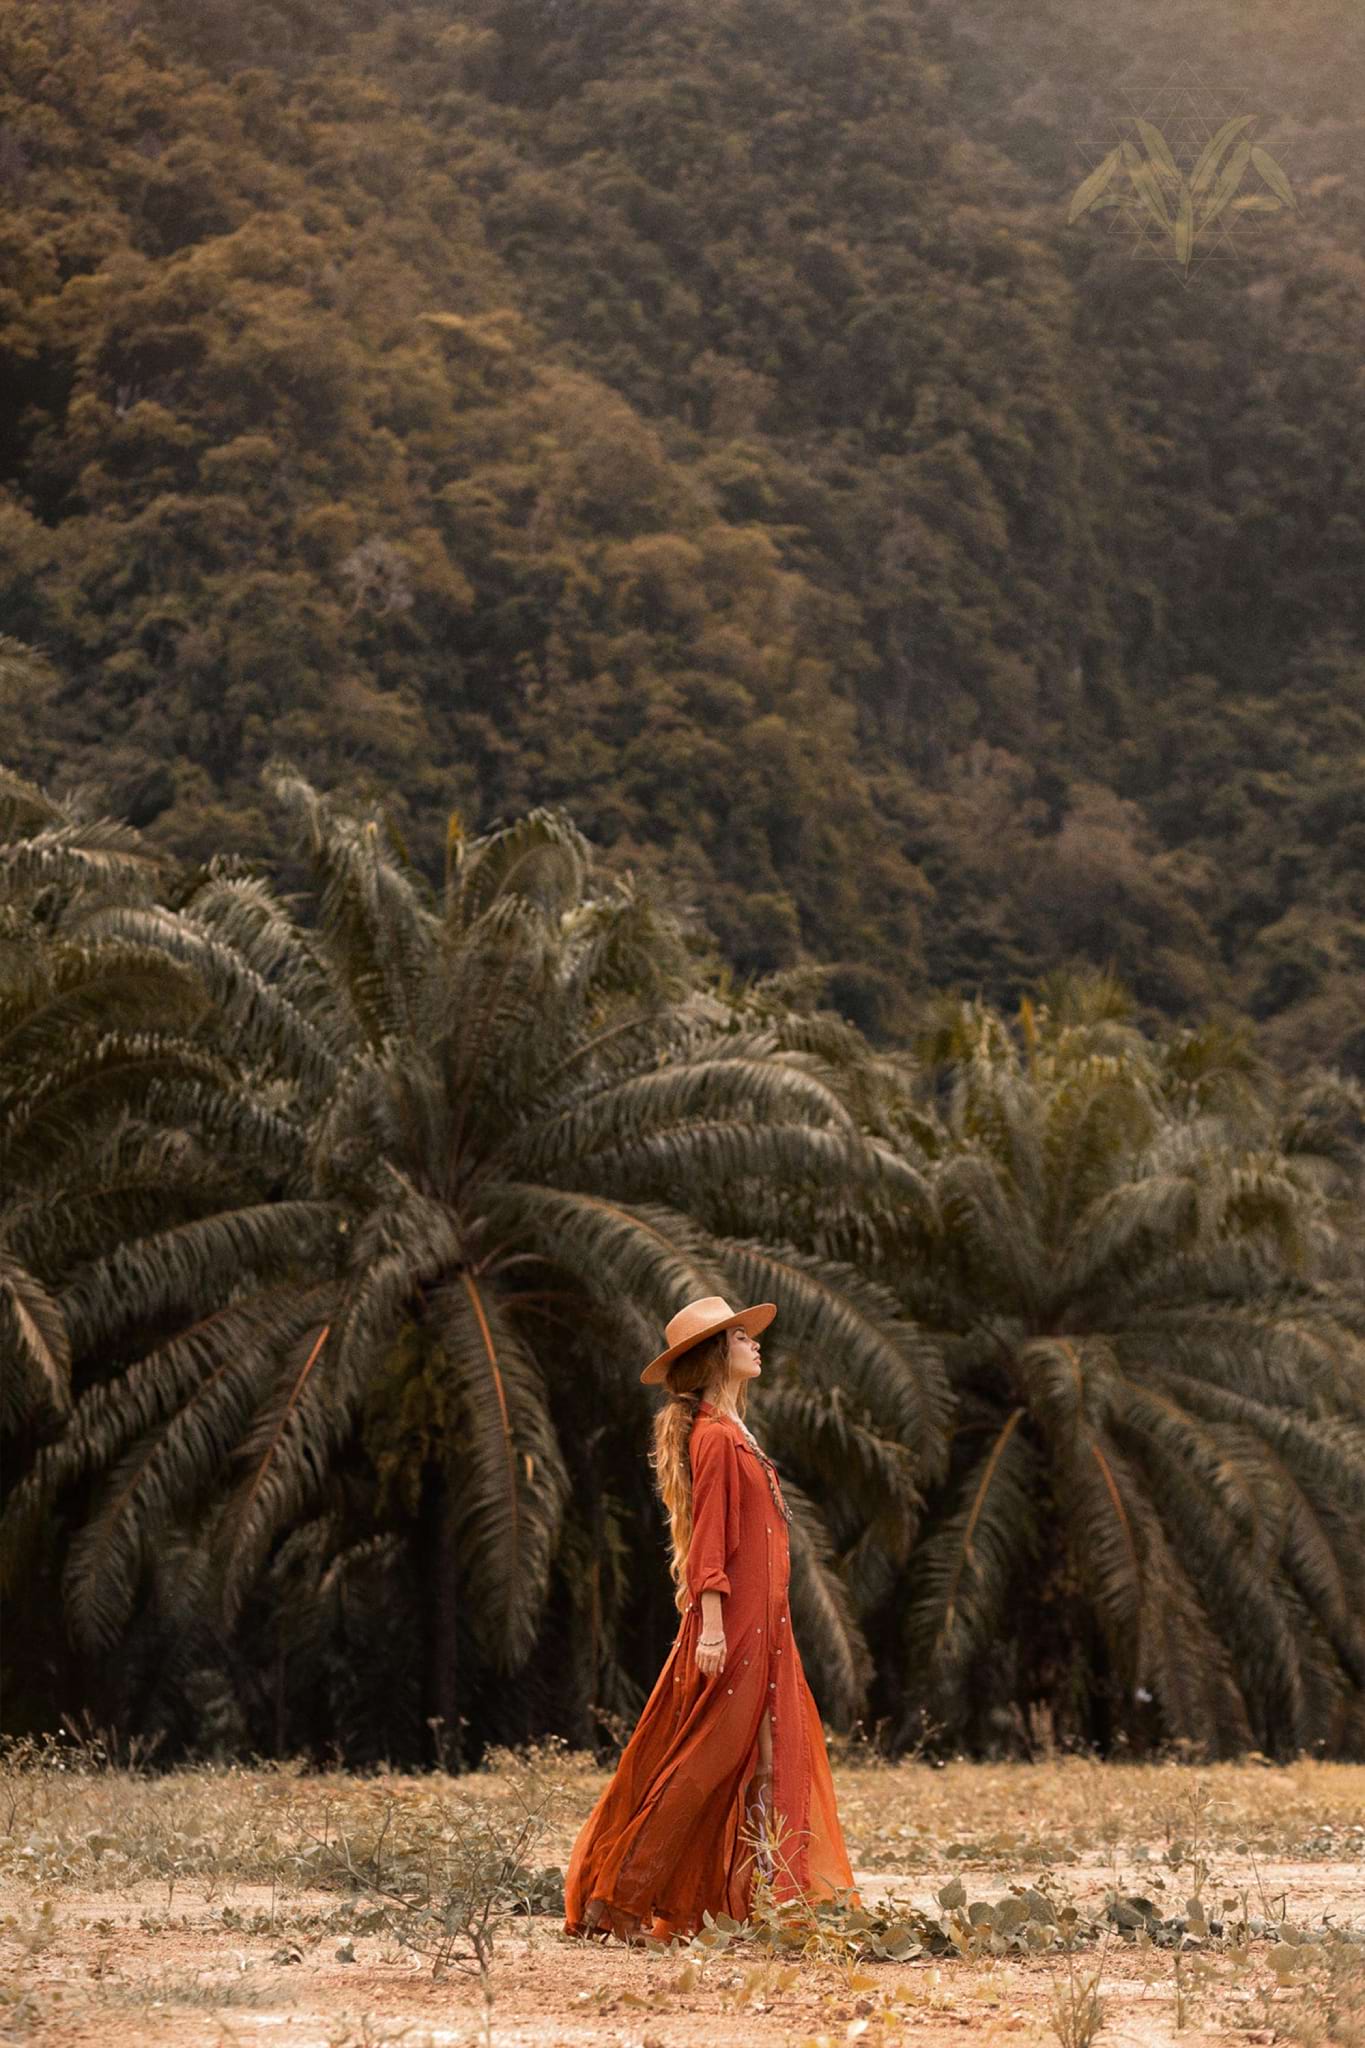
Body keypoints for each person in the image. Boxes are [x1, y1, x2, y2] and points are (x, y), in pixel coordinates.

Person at [563, 1294, 859, 1943]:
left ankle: (764, 1898)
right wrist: (715, 1624)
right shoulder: (716, 1437)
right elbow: (710, 1539)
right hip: (735, 1627)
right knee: (703, 1757)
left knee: (767, 1758)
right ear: (713, 1357)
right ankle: (620, 1896)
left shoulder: (733, 1429)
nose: (754, 1343)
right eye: (739, 1338)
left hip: (765, 1626)